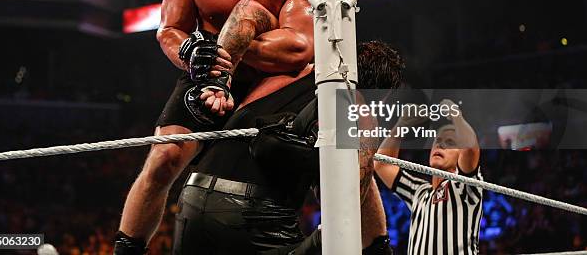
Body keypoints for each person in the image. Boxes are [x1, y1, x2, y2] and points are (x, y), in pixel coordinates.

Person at [114, 0, 331, 255]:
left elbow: (300, 48)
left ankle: (360, 241)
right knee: (163, 159)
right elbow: (169, 30)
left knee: (306, 163)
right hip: (207, 70)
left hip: (272, 79)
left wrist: (232, 45)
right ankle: (125, 251)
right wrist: (191, 53)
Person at [174, 40, 405, 254]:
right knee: (335, 235)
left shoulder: (288, 71)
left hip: (190, 199)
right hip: (253, 213)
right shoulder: (356, 109)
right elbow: (346, 203)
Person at [374, 99, 483, 254]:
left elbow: (471, 148)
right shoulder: (420, 192)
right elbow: (382, 164)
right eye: (437, 141)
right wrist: (401, 127)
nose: (440, 145)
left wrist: (456, 115)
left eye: (450, 142)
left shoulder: (463, 186)